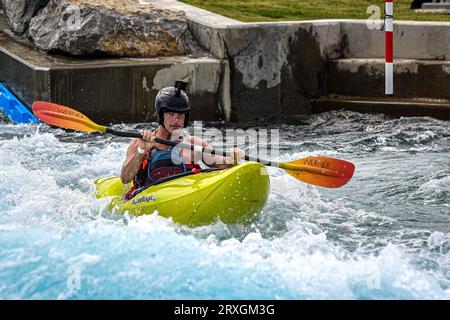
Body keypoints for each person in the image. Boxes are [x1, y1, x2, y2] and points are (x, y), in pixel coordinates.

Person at [120, 81, 243, 198]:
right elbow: (125, 178)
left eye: (180, 115)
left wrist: (234, 159)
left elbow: (223, 164)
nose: (176, 120)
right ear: (160, 115)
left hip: (186, 197)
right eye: (170, 114)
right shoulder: (140, 143)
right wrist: (141, 151)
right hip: (151, 204)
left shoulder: (194, 144)